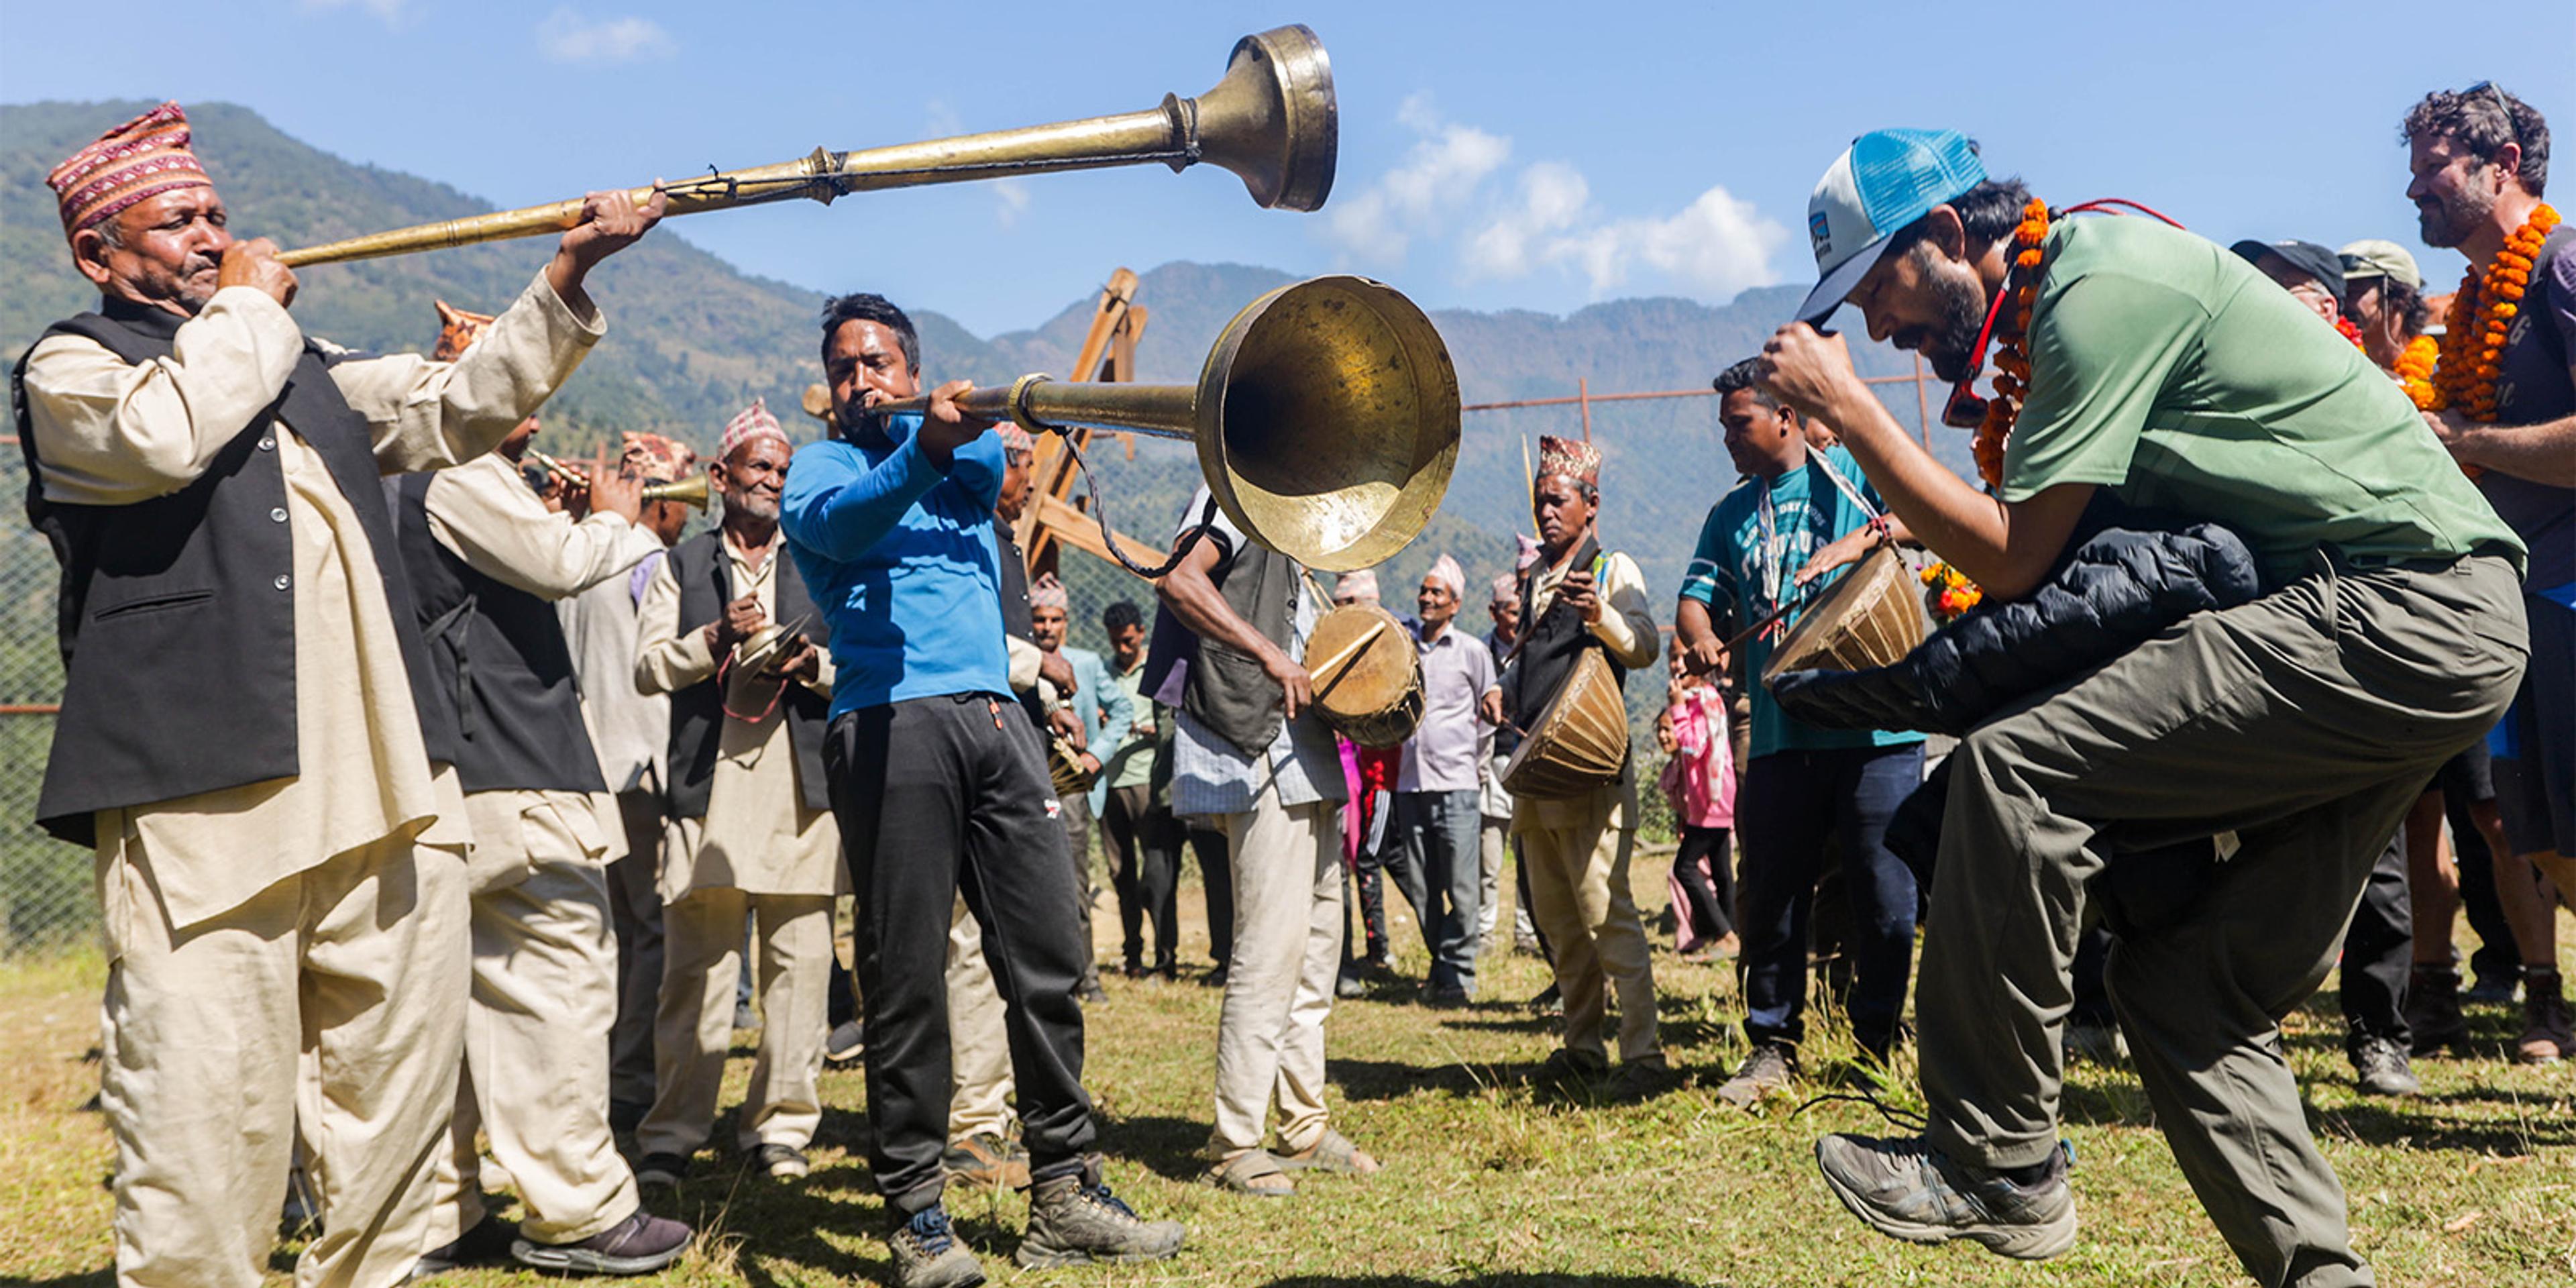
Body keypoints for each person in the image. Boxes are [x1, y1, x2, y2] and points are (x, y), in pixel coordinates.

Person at [1759, 127, 2525, 1281]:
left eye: (1882, 288)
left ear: (1952, 237)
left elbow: (2016, 557)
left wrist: (1857, 416)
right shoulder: (2068, 305)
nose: (1879, 328)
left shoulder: (2094, 280)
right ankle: (2320, 1274)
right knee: (2186, 982)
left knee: (2020, 772)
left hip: (2398, 606)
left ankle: (1994, 1167)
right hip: (2429, 629)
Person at [14, 103, 663, 1288]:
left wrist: (566, 277)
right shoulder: (74, 367)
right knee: (206, 1106)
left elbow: (454, 407)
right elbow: (162, 440)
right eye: (178, 221)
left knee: (393, 1099)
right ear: (98, 257)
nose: (213, 234)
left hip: (381, 785)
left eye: (218, 214)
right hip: (205, 797)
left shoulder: (295, 368)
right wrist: (253, 305)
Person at [780, 292, 1182, 1284]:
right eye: (845, 367)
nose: (861, 380)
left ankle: (1065, 1189)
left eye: (879, 363)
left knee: (1046, 955)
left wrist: (953, 432)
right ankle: (918, 1209)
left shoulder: (961, 460)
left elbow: (998, 462)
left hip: (996, 720)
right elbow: (839, 526)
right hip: (888, 720)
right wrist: (921, 445)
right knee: (905, 970)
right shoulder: (823, 466)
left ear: (913, 375)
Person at [390, 390, 688, 1274]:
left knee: (457, 1007)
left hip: (460, 767)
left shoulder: (413, 478)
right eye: (516, 402)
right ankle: (581, 1211)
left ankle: (443, 1211)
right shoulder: (459, 469)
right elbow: (561, 564)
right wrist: (618, 522)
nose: (534, 424)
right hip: (517, 769)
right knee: (558, 991)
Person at [1676, 358, 1926, 1104]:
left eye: (1739, 424)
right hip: (1783, 737)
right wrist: (1699, 637)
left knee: (1885, 900)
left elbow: (1939, 513)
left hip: (1877, 732)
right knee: (1773, 897)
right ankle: (1772, 1047)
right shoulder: (1729, 516)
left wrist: (1865, 540)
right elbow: (1696, 599)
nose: (1728, 440)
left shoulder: (1855, 472)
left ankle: (1874, 1046)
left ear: (1784, 415)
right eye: (1722, 428)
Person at [2403, 84, 2576, 1064]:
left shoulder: (2566, 264)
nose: (2414, 188)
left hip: (2573, 591)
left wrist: (2468, 438)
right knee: (2536, 837)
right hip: (2516, 599)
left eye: (2433, 167)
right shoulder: (2468, 308)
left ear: (2499, 165)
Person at [631, 399, 845, 1186]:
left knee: (798, 966)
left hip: (800, 792)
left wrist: (810, 666)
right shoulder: (680, 567)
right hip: (707, 792)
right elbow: (648, 667)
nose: (775, 482)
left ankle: (780, 1130)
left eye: (786, 471)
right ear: (719, 478)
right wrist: (714, 640)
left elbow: (859, 666)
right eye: (761, 467)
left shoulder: (820, 564)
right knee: (698, 972)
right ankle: (674, 1132)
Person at [2228, 238, 2424, 1097]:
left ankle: (2380, 1035)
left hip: (2369, 641)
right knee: (2266, 848)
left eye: (2287, 292)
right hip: (2274, 646)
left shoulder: (2378, 394)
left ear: (2329, 307)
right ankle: (2249, 1029)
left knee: (2372, 851)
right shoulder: (2235, 398)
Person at [1148, 482, 1376, 1197]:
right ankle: (1235, 1141)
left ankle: (1303, 1127)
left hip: (1307, 759)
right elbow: (1178, 580)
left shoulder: (1294, 522)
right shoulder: (1230, 499)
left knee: (1314, 953)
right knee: (1267, 953)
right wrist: (1270, 656)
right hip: (1261, 756)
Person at [1501, 436, 1668, 1096]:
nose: (1546, 512)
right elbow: (1532, 659)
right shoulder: (1535, 575)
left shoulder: (1612, 567)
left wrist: (1601, 616)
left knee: (1607, 914)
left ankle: (1645, 1054)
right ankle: (1583, 1045)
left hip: (1592, 767)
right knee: (1559, 919)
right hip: (1538, 771)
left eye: (1558, 500)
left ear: (1590, 505)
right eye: (1541, 501)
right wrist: (1501, 692)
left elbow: (1647, 647)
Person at [556, 429, 698, 1134]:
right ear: (661, 499)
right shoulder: (648, 559)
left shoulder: (581, 547)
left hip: (584, 762)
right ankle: (630, 1078)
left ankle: (594, 1071)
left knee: (604, 929)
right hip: (640, 763)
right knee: (651, 933)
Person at [1395, 554, 1503, 1006]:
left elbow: (1490, 707)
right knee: (1421, 886)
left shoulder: (1471, 652)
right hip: (1409, 782)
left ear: (1455, 605)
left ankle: (1458, 976)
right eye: (1424, 590)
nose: (1426, 598)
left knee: (1461, 887)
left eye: (1436, 592)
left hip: (1457, 783)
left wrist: (1472, 762)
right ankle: (1442, 965)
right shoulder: (1401, 646)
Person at [1034, 571, 1134, 1002]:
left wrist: (1097, 754)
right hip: (1028, 787)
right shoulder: (1020, 663)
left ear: (1066, 622)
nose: (1047, 628)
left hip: (1071, 791)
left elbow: (1123, 708)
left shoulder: (1087, 665)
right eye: (1039, 620)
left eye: (1055, 620)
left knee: (1075, 884)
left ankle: (1086, 978)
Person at [1097, 600, 1179, 979]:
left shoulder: (1156, 670)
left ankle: (1166, 957)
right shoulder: (1103, 674)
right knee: (1121, 875)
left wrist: (1147, 732)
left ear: (1141, 633)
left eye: (1128, 641)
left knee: (1156, 879)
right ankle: (1133, 954)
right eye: (1116, 643)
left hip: (1148, 782)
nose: (1123, 649)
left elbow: (1169, 723)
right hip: (1111, 783)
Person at [1658, 641, 1737, 961]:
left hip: (1713, 800)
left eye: (1685, 659)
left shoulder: (1703, 701)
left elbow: (1693, 746)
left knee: (1686, 867)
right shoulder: (1699, 699)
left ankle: (1725, 934)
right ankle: (1727, 934)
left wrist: (1677, 708)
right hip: (1711, 800)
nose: (1679, 665)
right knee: (1721, 870)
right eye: (1674, 658)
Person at [1477, 573, 1525, 952]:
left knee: (1528, 859)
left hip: (1527, 763)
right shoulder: (1480, 655)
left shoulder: (1533, 652)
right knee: (1489, 859)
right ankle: (1485, 933)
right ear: (1495, 613)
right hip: (1492, 763)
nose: (1517, 618)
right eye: (1511, 612)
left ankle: (1526, 932)